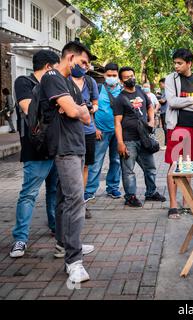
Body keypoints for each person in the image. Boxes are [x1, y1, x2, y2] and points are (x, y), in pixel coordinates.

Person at [40, 41, 96, 283]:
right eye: (83, 62)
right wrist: (76, 110)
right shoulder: (52, 75)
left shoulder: (71, 85)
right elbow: (76, 113)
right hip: (65, 149)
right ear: (70, 57)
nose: (86, 67)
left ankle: (65, 245)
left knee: (65, 200)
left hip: (77, 146)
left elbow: (85, 115)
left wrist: (77, 109)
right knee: (76, 201)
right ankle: (73, 261)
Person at [9, 50, 60, 258]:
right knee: (29, 194)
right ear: (49, 67)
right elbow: (29, 108)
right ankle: (20, 239)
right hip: (36, 148)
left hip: (56, 146)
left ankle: (57, 228)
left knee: (55, 192)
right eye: (56, 69)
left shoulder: (54, 86)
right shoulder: (24, 82)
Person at [113, 66, 166, 207]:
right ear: (121, 80)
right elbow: (117, 122)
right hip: (128, 139)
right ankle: (130, 197)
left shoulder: (140, 91)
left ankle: (151, 193)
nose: (131, 78)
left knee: (150, 168)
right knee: (128, 171)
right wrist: (120, 142)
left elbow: (149, 106)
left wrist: (151, 120)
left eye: (132, 75)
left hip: (144, 138)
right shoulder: (120, 98)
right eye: (126, 77)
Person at [164, 48, 193, 219]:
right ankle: (173, 205)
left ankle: (186, 202)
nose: (176, 66)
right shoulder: (170, 79)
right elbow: (172, 102)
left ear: (189, 63)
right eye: (175, 63)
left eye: (180, 63)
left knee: (188, 168)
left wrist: (186, 103)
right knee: (174, 167)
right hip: (177, 128)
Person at [85, 63, 122, 201]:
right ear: (104, 75)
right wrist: (94, 128)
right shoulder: (98, 88)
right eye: (109, 75)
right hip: (101, 131)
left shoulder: (122, 89)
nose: (111, 78)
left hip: (118, 132)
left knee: (116, 161)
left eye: (114, 75)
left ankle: (113, 188)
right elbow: (89, 109)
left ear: (118, 76)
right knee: (96, 162)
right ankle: (89, 190)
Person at [69, 61, 99, 219]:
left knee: (85, 166)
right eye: (83, 62)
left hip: (88, 131)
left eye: (87, 63)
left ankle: (81, 202)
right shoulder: (64, 79)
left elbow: (96, 104)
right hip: (69, 131)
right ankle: (69, 204)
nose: (85, 66)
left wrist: (91, 108)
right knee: (70, 167)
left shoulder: (90, 81)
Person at [157, 78, 168, 150]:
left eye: (161, 84)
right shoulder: (163, 91)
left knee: (166, 128)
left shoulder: (167, 91)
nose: (160, 86)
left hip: (165, 111)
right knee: (164, 128)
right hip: (163, 111)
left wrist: (157, 99)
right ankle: (166, 143)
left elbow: (163, 100)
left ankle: (167, 144)